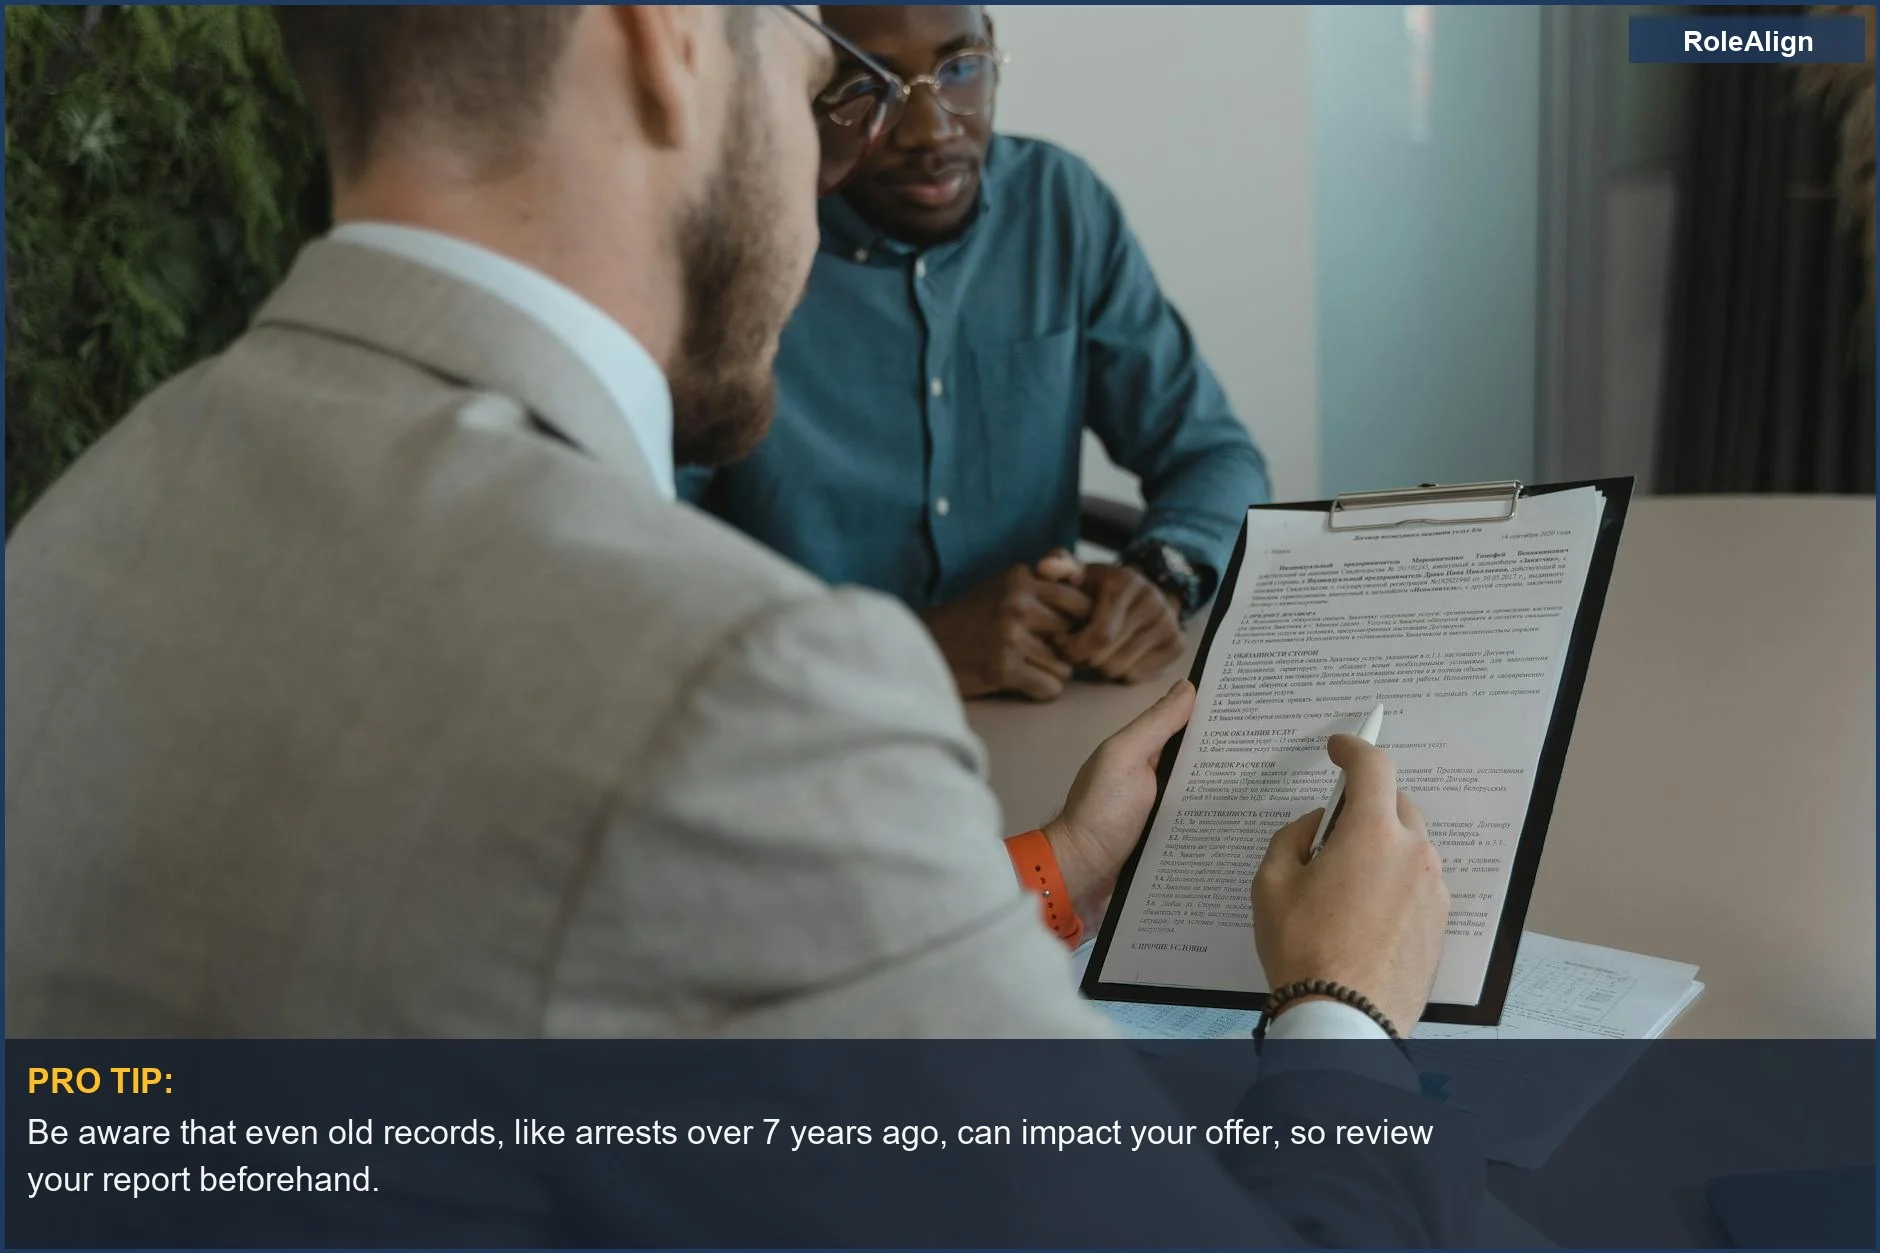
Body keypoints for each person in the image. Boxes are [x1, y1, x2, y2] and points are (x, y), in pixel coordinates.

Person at [4, 6, 1468, 1245]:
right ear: (667, 46)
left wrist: (1053, 869)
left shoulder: (81, 522)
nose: (851, 127)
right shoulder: (733, 690)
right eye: (821, 62)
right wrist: (1344, 1007)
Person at [681, 4, 1271, 703]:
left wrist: (1161, 572)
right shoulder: (731, 248)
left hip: (1047, 704)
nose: (932, 131)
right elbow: (640, 563)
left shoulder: (1060, 205)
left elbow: (1215, 456)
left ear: (993, 50)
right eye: (870, 82)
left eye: (960, 69)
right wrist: (913, 647)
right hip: (811, 717)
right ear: (802, 82)